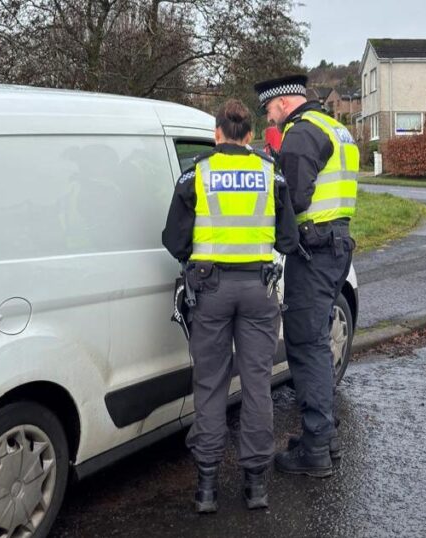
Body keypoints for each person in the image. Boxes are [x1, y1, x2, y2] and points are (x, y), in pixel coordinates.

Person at [161, 99, 300, 513]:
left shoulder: (197, 174)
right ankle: (255, 485)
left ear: (217, 134)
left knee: (210, 385)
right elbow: (287, 241)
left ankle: (206, 489)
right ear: (251, 136)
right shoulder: (269, 173)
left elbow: (173, 240)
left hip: (210, 290)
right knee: (257, 384)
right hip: (258, 289)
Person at [253, 74, 358, 478]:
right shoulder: (335, 127)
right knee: (315, 340)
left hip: (313, 250)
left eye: (269, 108)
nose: (269, 115)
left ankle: (315, 447)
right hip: (336, 244)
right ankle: (323, 438)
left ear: (282, 102)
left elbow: (292, 199)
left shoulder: (300, 133)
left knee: (306, 343)